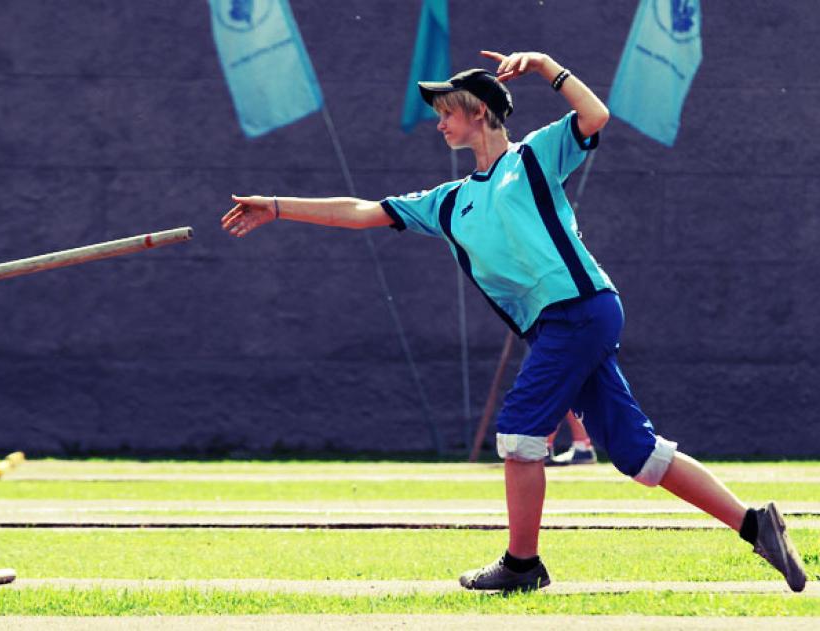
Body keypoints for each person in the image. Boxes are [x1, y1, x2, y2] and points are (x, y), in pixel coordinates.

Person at [220, 49, 807, 593]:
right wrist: (276, 206)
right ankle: (756, 525)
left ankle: (522, 566)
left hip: (580, 310)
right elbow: (361, 211)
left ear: (477, 112)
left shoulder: (533, 155)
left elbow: (595, 114)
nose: (439, 123)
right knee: (637, 452)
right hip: (564, 325)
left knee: (521, 436)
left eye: (446, 112)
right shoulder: (448, 200)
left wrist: (547, 66)